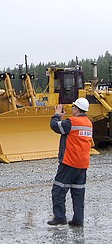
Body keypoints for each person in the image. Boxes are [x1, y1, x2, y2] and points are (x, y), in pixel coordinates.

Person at [48, 97, 93, 227]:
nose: (72, 109)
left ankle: (60, 217)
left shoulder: (72, 122)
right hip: (82, 164)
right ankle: (78, 220)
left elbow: (55, 126)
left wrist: (57, 114)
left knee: (58, 190)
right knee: (78, 192)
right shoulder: (89, 123)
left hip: (69, 162)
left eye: (73, 107)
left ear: (76, 109)